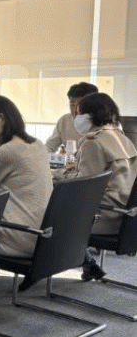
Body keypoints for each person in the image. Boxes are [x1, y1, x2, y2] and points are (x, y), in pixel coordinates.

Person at [0, 96, 53, 316]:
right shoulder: (37, 145)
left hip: (22, 237)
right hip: (44, 236)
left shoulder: (8, 151)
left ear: (1, 118)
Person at [54, 92, 137, 281]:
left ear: (90, 115)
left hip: (105, 218)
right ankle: (89, 264)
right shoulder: (123, 139)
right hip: (127, 218)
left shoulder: (94, 142)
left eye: (79, 112)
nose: (76, 117)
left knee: (51, 219)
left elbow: (83, 186)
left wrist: (56, 175)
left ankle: (80, 263)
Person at [46, 82, 98, 153]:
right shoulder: (64, 120)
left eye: (80, 104)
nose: (75, 109)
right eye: (72, 104)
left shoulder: (102, 123)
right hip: (71, 159)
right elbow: (50, 145)